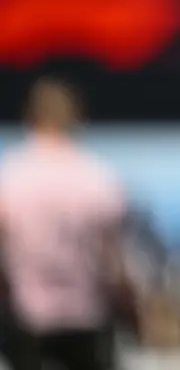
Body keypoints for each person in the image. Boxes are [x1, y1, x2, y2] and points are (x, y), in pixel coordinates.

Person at [0, 78, 129, 370]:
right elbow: (112, 256)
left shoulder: (10, 175)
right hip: (86, 312)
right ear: (76, 120)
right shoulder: (98, 177)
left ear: (30, 118)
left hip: (28, 314)